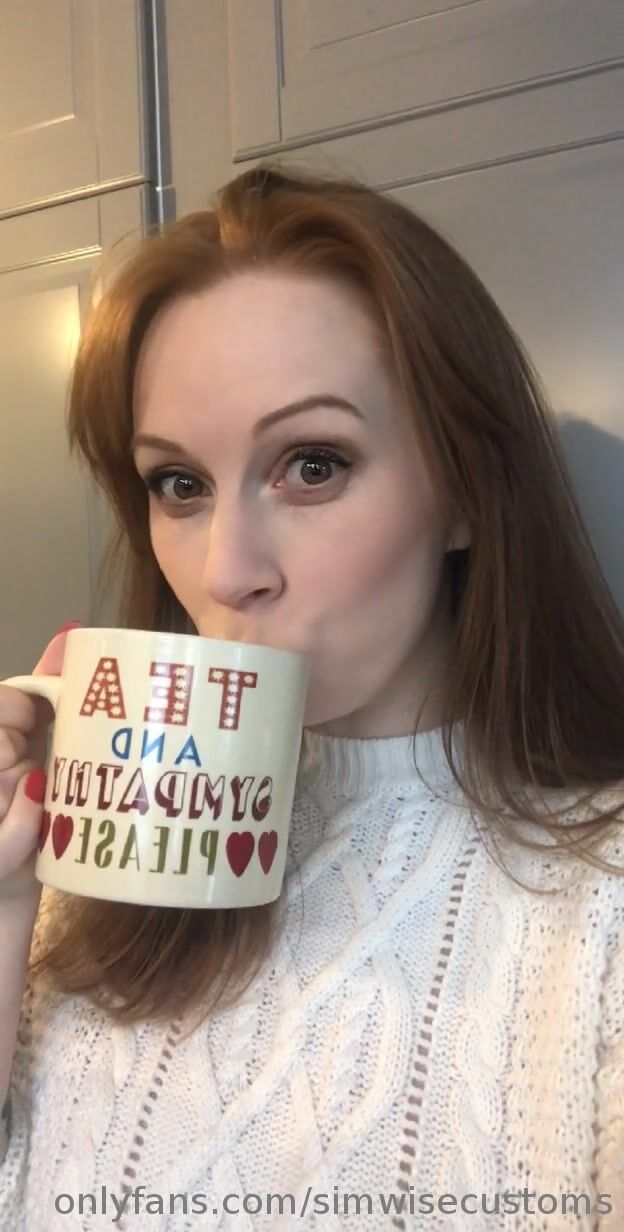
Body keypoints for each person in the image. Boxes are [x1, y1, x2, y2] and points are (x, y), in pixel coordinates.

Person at [0, 160, 623, 1231]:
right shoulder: (86, 873)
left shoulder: (601, 905)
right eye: (179, 484)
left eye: (314, 465)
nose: (226, 570)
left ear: (465, 491)